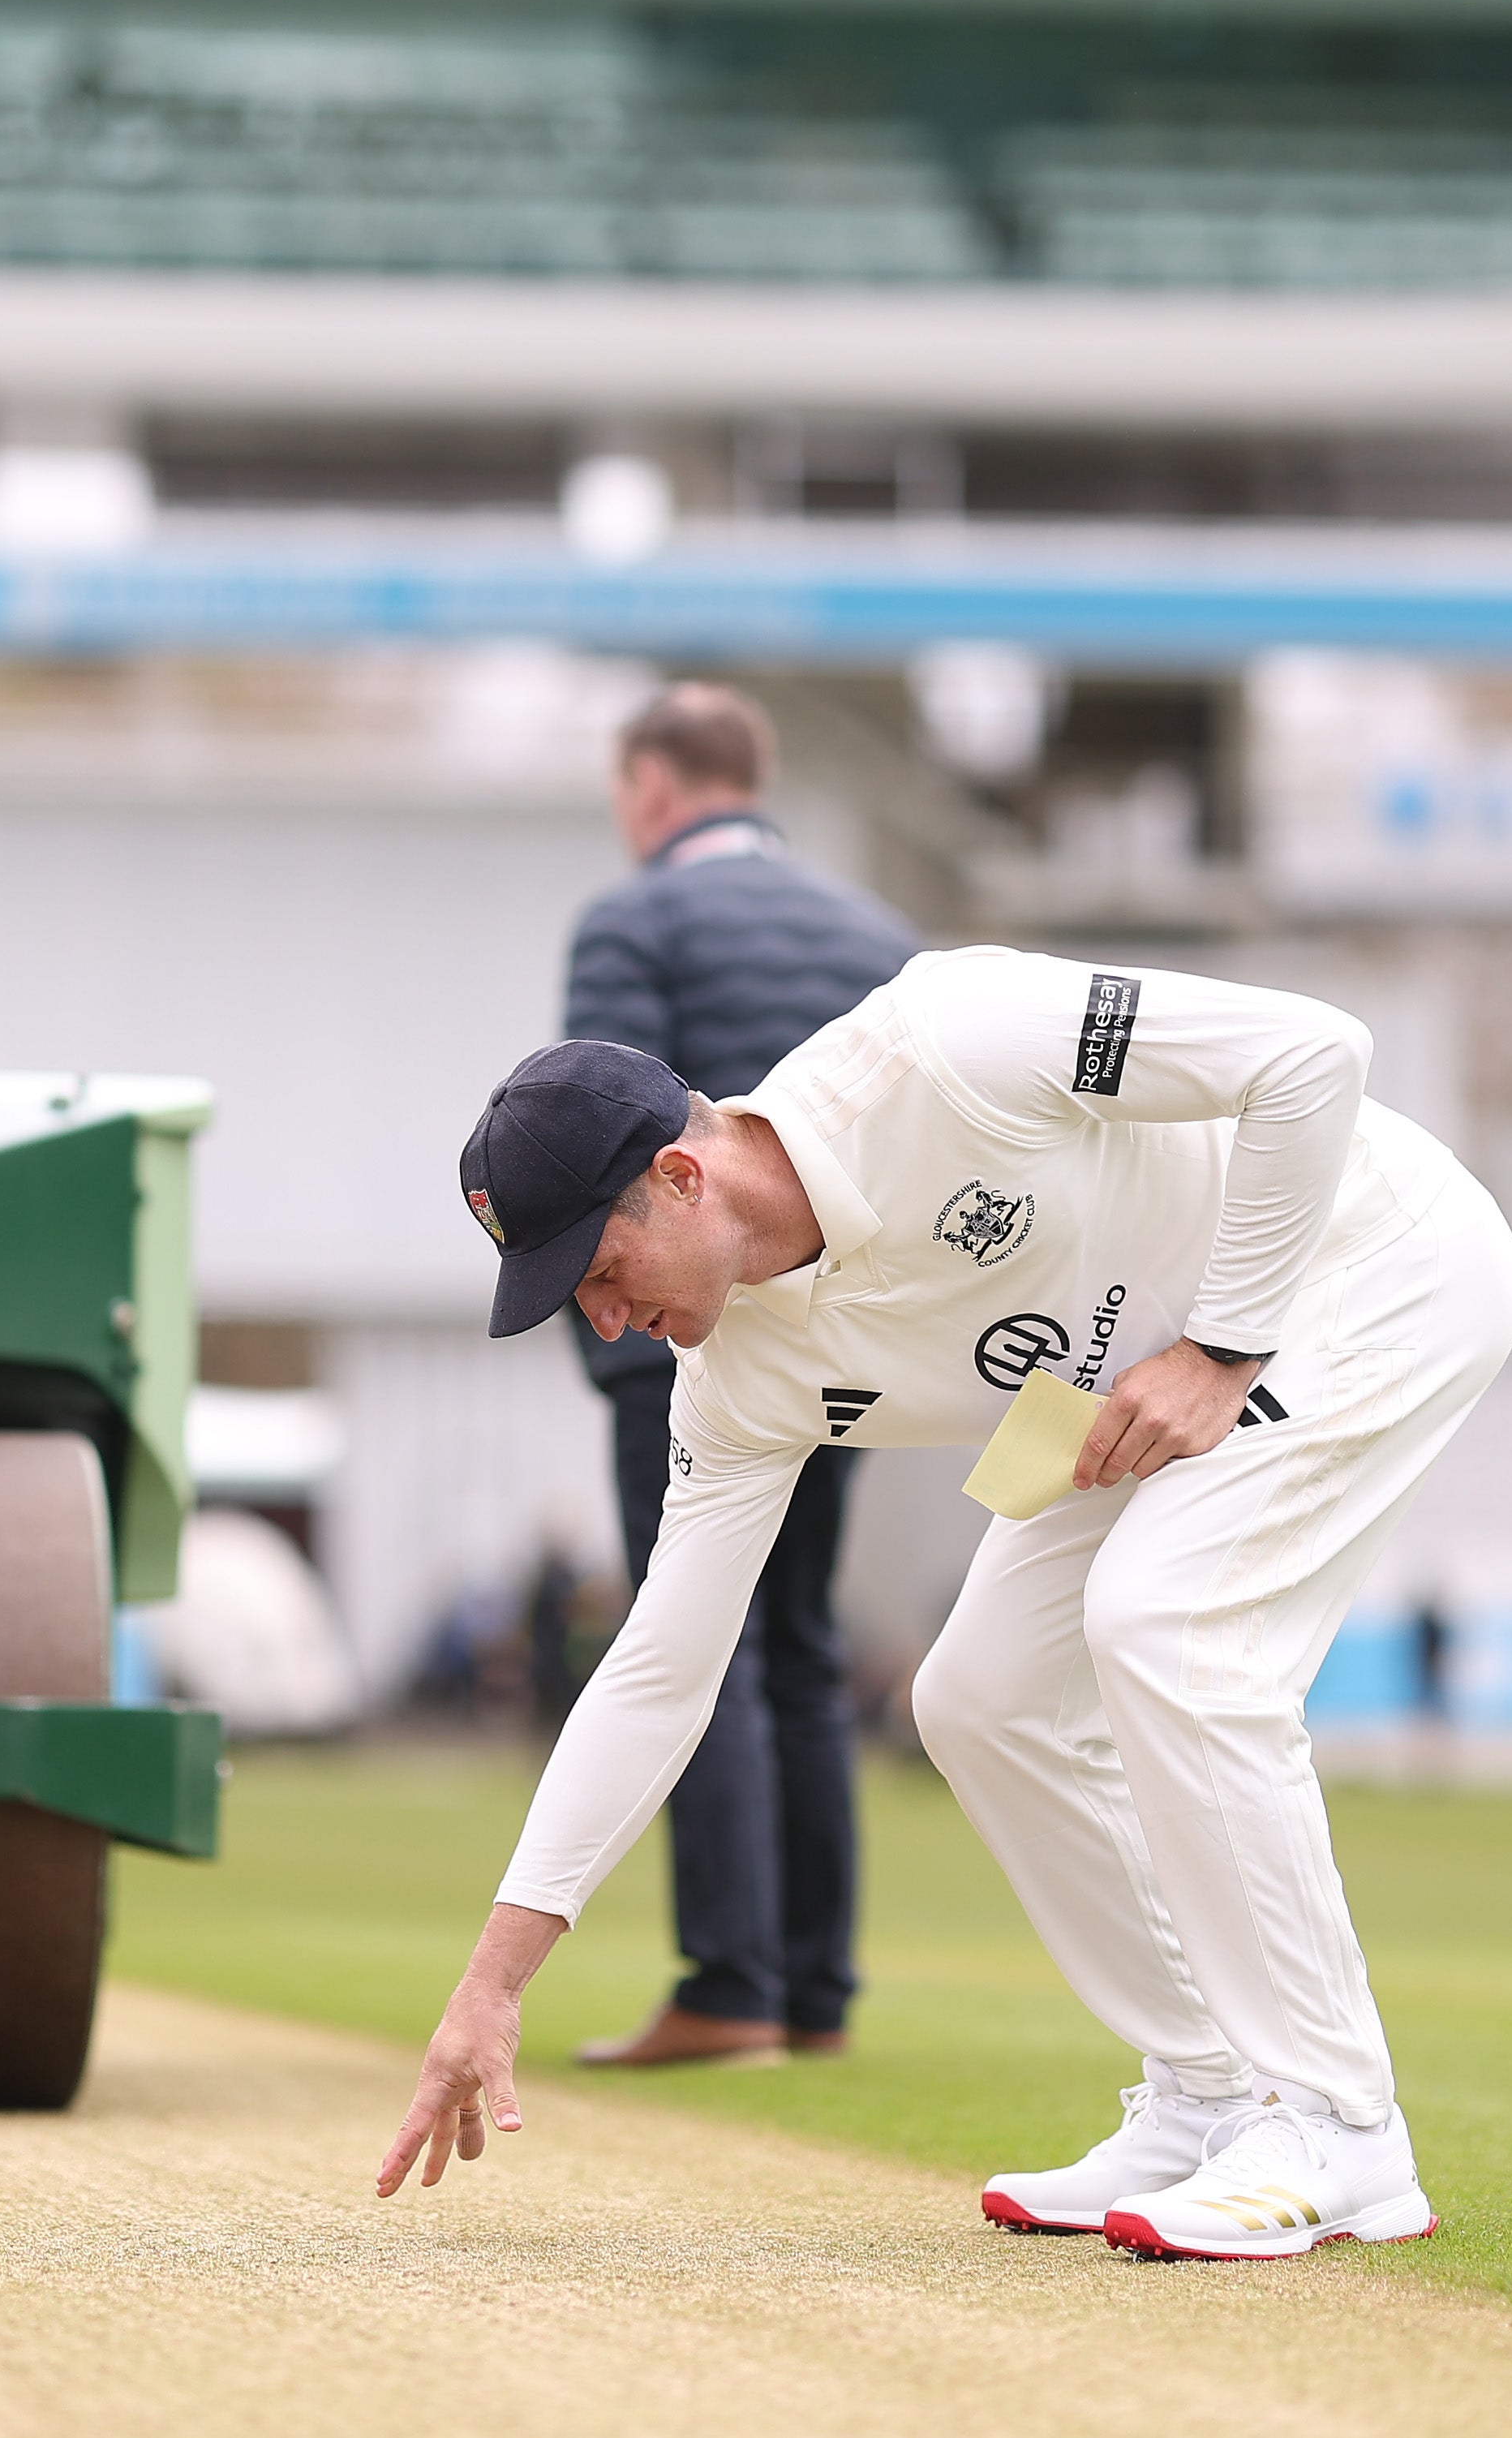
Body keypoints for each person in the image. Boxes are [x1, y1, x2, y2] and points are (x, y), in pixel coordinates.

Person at [390, 949, 1512, 2259]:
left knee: (1164, 1623)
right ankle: (1210, 2089)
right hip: (1116, 1379)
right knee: (978, 1698)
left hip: (1367, 1265)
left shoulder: (947, 1039)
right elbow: (660, 1669)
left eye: (593, 1267)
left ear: (680, 1175)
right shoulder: (734, 1378)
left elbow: (1311, 1053)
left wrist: (1223, 1343)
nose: (598, 1322)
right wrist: (492, 1983)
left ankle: (1340, 2125)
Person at [556, 683, 914, 2067]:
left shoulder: (631, 920)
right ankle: (816, 1984)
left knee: (699, 1637)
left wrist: (608, 1356)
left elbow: (599, 1132)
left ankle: (729, 1980)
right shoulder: (875, 932)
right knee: (806, 1644)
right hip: (850, 1332)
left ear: (650, 785)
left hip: (691, 1324)